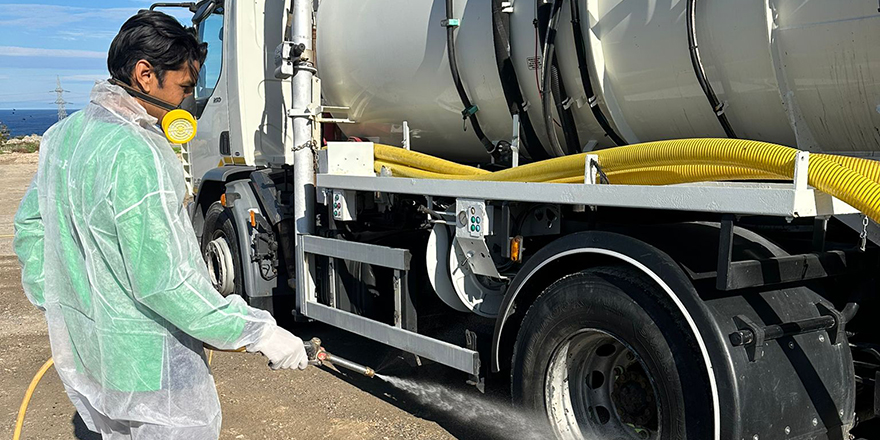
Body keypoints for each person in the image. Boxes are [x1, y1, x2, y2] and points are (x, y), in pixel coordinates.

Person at [13, 10, 307, 440]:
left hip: (93, 351)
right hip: (150, 354)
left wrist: (62, 303)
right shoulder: (138, 152)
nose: (188, 100)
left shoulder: (63, 136)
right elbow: (165, 282)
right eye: (185, 87)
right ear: (145, 74)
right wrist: (256, 330)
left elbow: (30, 228)